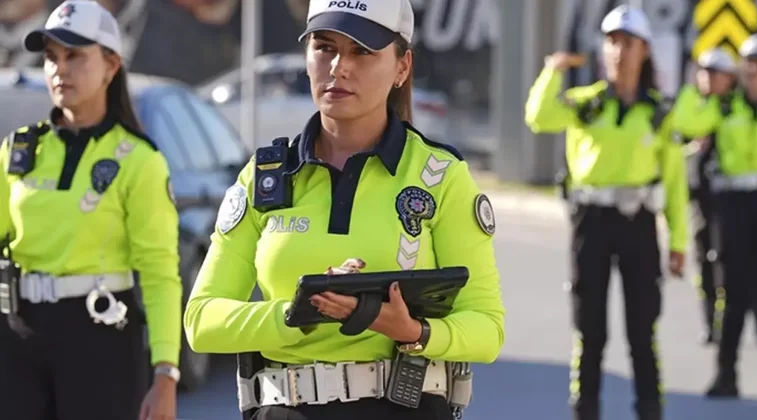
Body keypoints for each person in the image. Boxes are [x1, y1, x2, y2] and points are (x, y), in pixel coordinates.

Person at [183, 1, 505, 420]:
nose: (339, 66)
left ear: (402, 67)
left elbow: (487, 329)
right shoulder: (264, 178)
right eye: (324, 47)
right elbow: (202, 320)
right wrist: (301, 311)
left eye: (362, 51)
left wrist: (413, 332)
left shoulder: (440, 177)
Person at [0, 2, 182, 420]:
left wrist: (166, 373)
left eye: (75, 56)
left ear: (111, 65)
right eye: (51, 57)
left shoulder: (139, 160)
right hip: (17, 336)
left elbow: (159, 272)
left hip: (99, 339)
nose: (59, 69)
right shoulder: (19, 150)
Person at [526, 6, 688, 420]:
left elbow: (674, 184)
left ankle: (649, 411)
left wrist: (680, 243)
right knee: (590, 329)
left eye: (628, 43)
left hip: (639, 225)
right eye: (612, 41)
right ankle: (586, 411)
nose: (619, 50)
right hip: (591, 223)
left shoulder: (657, 112)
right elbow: (538, 117)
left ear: (644, 51)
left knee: (642, 330)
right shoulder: (586, 104)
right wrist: (553, 71)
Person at [674, 34, 757, 400]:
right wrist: (701, 89)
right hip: (734, 208)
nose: (753, 69)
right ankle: (725, 376)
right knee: (732, 294)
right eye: (748, 62)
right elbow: (685, 122)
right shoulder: (723, 108)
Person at [683, 48, 740, 345]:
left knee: (732, 261)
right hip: (700, 198)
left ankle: (737, 320)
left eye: (715, 73)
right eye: (704, 72)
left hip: (733, 200)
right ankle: (710, 321)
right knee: (704, 259)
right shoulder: (692, 103)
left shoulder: (736, 108)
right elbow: (679, 130)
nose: (708, 78)